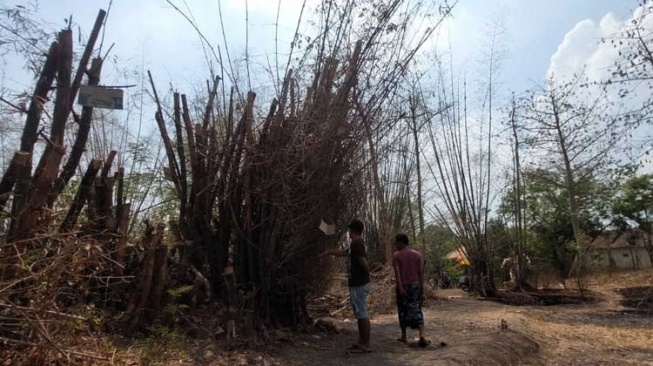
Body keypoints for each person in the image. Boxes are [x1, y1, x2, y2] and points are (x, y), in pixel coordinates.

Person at [321, 219, 372, 353]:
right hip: (357, 283)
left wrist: (369, 274)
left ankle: (366, 344)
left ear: (353, 230)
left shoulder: (357, 243)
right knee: (359, 312)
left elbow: (363, 261)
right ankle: (362, 342)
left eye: (349, 230)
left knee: (362, 313)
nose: (348, 232)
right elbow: (344, 253)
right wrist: (329, 252)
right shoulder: (354, 245)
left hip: (359, 283)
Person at [392, 233, 428, 347]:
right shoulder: (417, 255)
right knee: (417, 309)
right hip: (415, 285)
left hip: (403, 285)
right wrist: (421, 288)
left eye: (397, 242)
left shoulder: (397, 256)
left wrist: (400, 287)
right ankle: (421, 334)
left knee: (402, 310)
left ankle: (404, 336)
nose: (396, 245)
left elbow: (397, 274)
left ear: (402, 242)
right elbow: (420, 274)